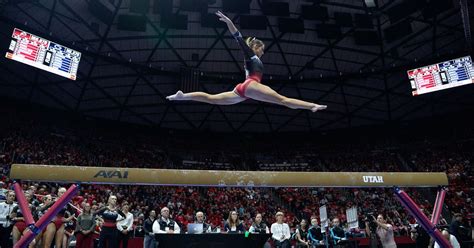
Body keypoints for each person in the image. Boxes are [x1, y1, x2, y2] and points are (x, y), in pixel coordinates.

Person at [166, 11, 327, 113]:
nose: (263, 52)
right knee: (282, 100)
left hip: (242, 90)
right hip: (251, 85)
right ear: (255, 47)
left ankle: (182, 96)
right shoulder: (250, 55)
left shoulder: (252, 58)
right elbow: (238, 37)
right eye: (261, 49)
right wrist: (229, 22)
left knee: (211, 99)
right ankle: (311, 105)